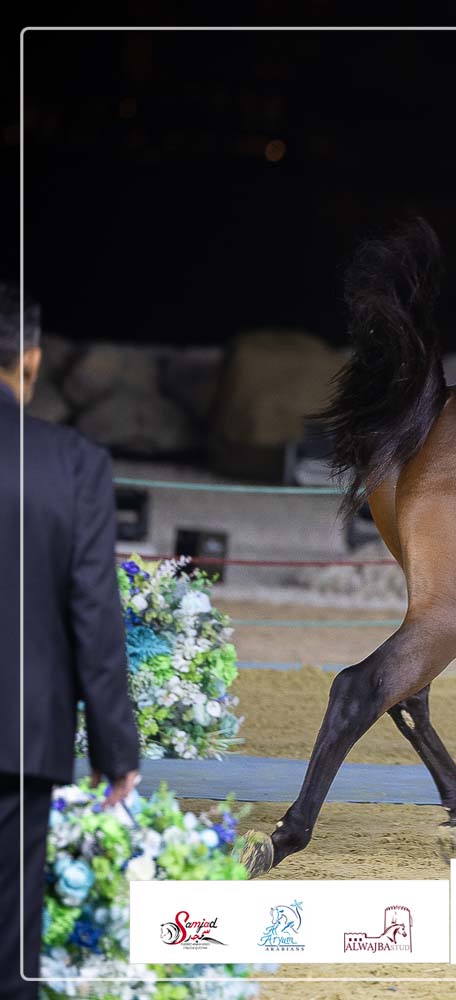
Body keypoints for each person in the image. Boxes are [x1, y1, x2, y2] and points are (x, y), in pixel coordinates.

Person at [0, 285, 139, 1000]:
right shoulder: (72, 463)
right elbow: (93, 613)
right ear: (31, 359)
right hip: (19, 738)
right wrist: (116, 749)